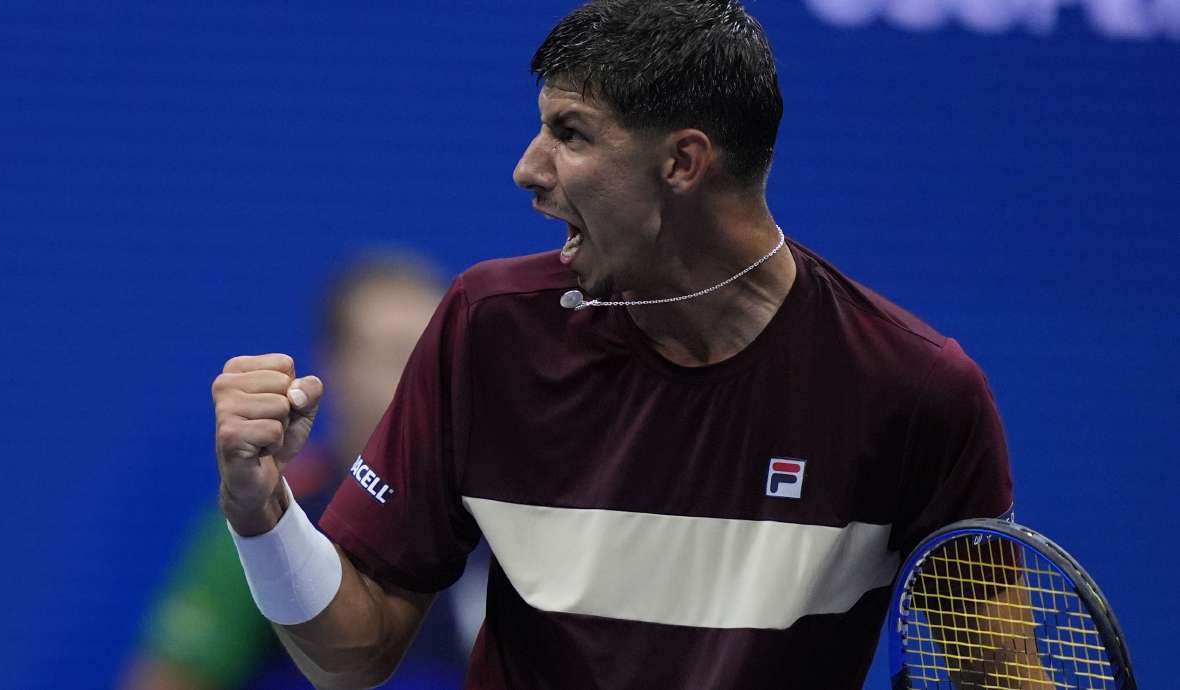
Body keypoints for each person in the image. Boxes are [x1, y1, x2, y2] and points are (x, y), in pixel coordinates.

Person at [211, 2, 1014, 688]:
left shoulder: (914, 393)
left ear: (682, 162)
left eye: (572, 133)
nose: (528, 170)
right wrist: (264, 514)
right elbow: (356, 651)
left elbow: (996, 671)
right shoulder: (490, 330)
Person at [125, 256, 485, 690]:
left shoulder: (496, 516)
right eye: (394, 353)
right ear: (336, 365)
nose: (421, 377)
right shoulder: (262, 518)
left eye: (434, 353)